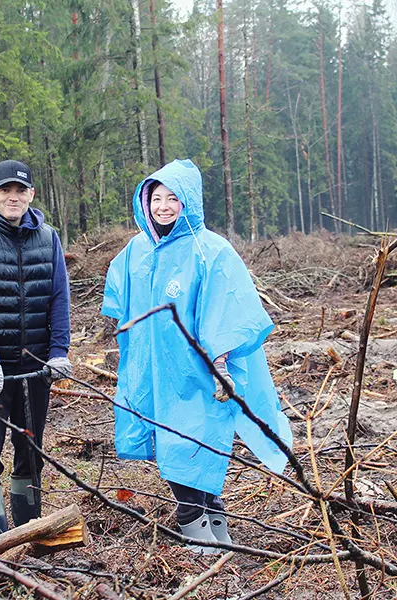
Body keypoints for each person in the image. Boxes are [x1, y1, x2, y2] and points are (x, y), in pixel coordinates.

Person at [102, 159, 294, 552]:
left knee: (194, 442)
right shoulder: (137, 250)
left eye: (173, 198)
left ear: (188, 201)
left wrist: (220, 363)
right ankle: (211, 521)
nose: (164, 207)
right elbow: (120, 301)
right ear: (145, 202)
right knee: (169, 440)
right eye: (157, 198)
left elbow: (227, 308)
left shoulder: (211, 250)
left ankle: (196, 525)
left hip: (196, 371)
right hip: (150, 368)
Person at [0, 159, 72, 535]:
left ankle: (28, 532)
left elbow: (59, 297)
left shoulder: (49, 239)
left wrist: (59, 350)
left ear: (32, 194)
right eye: (5, 190)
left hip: (34, 368)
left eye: (20, 190)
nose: (13, 197)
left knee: (30, 454)